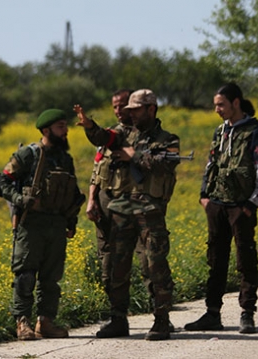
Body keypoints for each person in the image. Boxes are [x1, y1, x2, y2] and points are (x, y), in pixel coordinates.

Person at [75, 89, 179, 341]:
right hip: (122, 210)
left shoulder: (168, 138)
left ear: (151, 109)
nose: (129, 114)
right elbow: (104, 137)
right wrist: (90, 126)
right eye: (128, 110)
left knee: (155, 265)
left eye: (135, 110)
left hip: (149, 212)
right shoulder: (123, 133)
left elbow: (167, 162)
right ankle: (118, 319)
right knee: (117, 268)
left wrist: (135, 155)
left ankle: (162, 320)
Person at [184, 83, 258, 335]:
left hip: (240, 207)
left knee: (245, 260)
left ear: (236, 103)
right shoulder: (220, 131)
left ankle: (247, 313)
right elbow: (211, 163)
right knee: (216, 260)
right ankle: (212, 313)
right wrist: (204, 196)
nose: (217, 110)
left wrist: (250, 205)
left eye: (221, 104)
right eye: (215, 105)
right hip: (217, 204)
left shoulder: (254, 132)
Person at [0, 109, 85, 341]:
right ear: (46, 130)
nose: (65, 131)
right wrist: (19, 200)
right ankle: (22, 323)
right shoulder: (29, 155)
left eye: (65, 126)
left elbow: (72, 192)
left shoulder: (65, 159)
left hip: (56, 224)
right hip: (31, 223)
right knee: (25, 275)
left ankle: (45, 323)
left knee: (51, 278)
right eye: (60, 127)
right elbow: (3, 182)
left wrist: (71, 220)